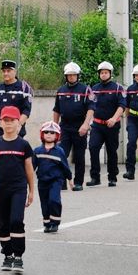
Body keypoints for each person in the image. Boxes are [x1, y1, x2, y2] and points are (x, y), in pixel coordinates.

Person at [0, 106, 36, 272]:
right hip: (1, 188)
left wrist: (31, 191)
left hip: (19, 188)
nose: (9, 124)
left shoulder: (23, 145)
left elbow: (29, 169)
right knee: (3, 224)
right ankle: (7, 255)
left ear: (19, 124)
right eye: (5, 121)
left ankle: (18, 256)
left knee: (16, 220)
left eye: (12, 121)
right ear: (0, 123)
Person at [53, 62, 93, 190]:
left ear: (78, 76)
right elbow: (56, 110)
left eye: (73, 75)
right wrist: (55, 126)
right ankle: (62, 181)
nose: (71, 77)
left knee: (79, 156)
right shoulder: (61, 91)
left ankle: (78, 182)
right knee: (61, 154)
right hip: (64, 126)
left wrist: (86, 124)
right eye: (69, 75)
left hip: (79, 126)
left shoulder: (85, 90)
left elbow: (91, 109)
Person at [88, 61, 126, 187]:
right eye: (102, 73)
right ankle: (95, 177)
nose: (103, 75)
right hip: (97, 125)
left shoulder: (117, 88)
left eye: (106, 72)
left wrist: (114, 119)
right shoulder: (94, 89)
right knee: (93, 148)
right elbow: (90, 106)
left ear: (110, 74)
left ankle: (112, 177)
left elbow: (122, 106)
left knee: (111, 151)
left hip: (112, 126)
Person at [33, 121, 71, 232]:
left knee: (54, 200)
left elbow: (65, 166)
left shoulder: (59, 151)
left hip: (56, 180)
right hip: (42, 181)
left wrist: (70, 179)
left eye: (52, 132)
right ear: (42, 134)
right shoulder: (37, 151)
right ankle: (47, 223)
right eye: (46, 132)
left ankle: (55, 223)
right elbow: (31, 166)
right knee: (44, 203)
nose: (49, 134)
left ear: (57, 136)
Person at [0, 60, 32, 140]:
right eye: (4, 71)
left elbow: (26, 111)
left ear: (15, 71)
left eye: (8, 71)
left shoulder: (24, 89)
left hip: (15, 132)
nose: (5, 73)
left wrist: (18, 126)